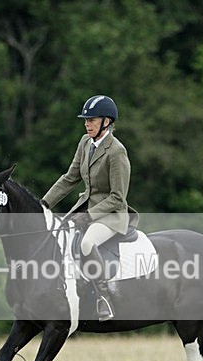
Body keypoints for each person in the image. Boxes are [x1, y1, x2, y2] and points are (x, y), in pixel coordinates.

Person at [42, 95, 137, 321]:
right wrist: (43, 204)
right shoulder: (85, 143)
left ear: (106, 121)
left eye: (92, 120)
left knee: (86, 243)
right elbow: (69, 178)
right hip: (84, 209)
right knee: (58, 235)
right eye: (86, 120)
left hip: (111, 215)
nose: (87, 124)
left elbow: (118, 197)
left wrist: (90, 215)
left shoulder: (117, 151)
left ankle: (103, 298)